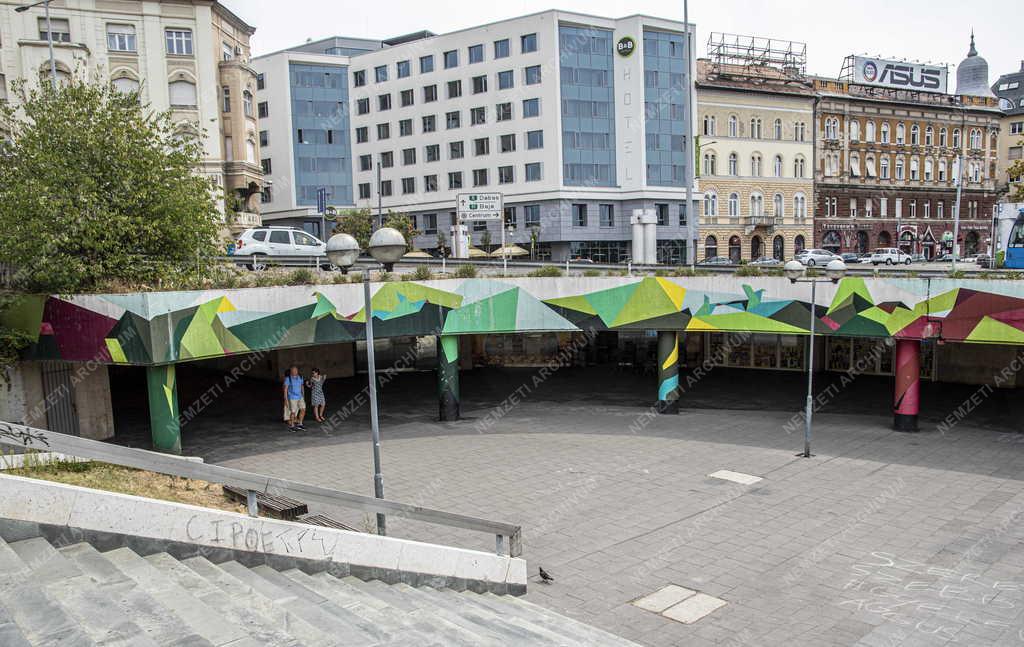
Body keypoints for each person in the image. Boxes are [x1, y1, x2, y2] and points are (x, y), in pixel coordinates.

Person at [282, 365, 306, 431]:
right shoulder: (288, 378)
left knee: (303, 409)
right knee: (293, 412)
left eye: (296, 370)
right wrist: (286, 399)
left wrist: (303, 395)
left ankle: (300, 424)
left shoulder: (300, 377)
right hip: (292, 398)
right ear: (291, 371)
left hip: (300, 397)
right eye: (294, 370)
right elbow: (285, 389)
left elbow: (302, 386)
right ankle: (292, 426)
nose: (295, 371)